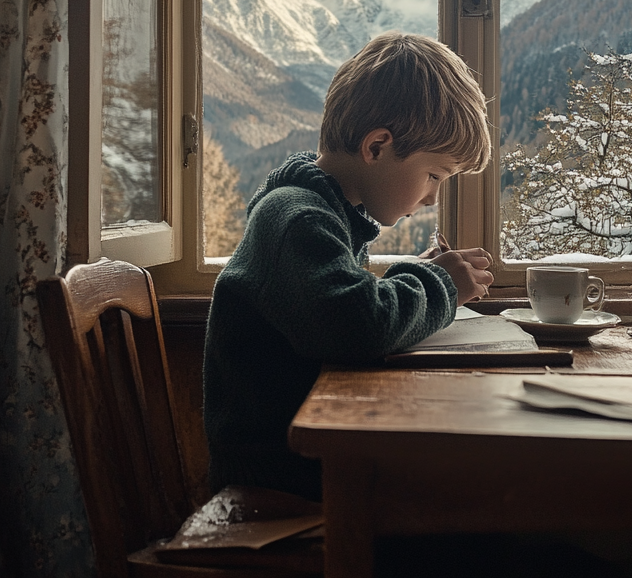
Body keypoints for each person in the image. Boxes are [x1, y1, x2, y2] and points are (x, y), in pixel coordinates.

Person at [202, 32, 494, 500]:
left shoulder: (326, 211)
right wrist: (440, 283)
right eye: (434, 175)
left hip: (306, 464)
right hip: (280, 483)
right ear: (377, 147)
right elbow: (357, 324)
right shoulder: (297, 217)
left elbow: (342, 304)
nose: (433, 197)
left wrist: (418, 275)